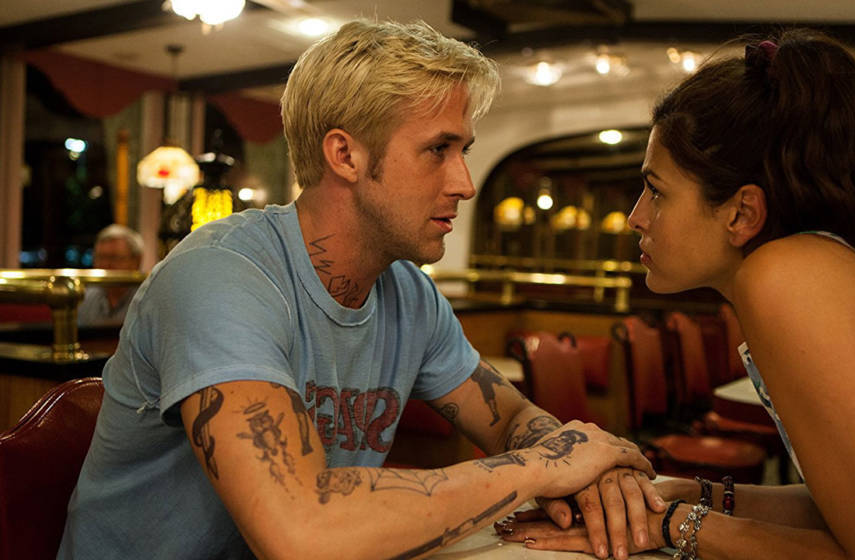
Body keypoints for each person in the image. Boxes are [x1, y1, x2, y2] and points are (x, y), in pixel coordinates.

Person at [59, 20, 663, 560]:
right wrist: (543, 467)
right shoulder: (221, 276)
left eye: (464, 151)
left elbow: (511, 418)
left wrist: (594, 474)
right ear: (345, 154)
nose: (465, 183)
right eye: (438, 150)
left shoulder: (410, 295)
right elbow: (299, 533)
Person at [497, 29, 855, 560]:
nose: (636, 217)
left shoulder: (788, 278)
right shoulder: (829, 264)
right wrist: (694, 497)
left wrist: (670, 527)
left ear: (742, 213)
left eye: (656, 190)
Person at [77, 224, 143, 326]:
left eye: (114, 257)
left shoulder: (147, 299)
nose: (105, 265)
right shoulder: (85, 298)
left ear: (136, 261)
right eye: (100, 257)